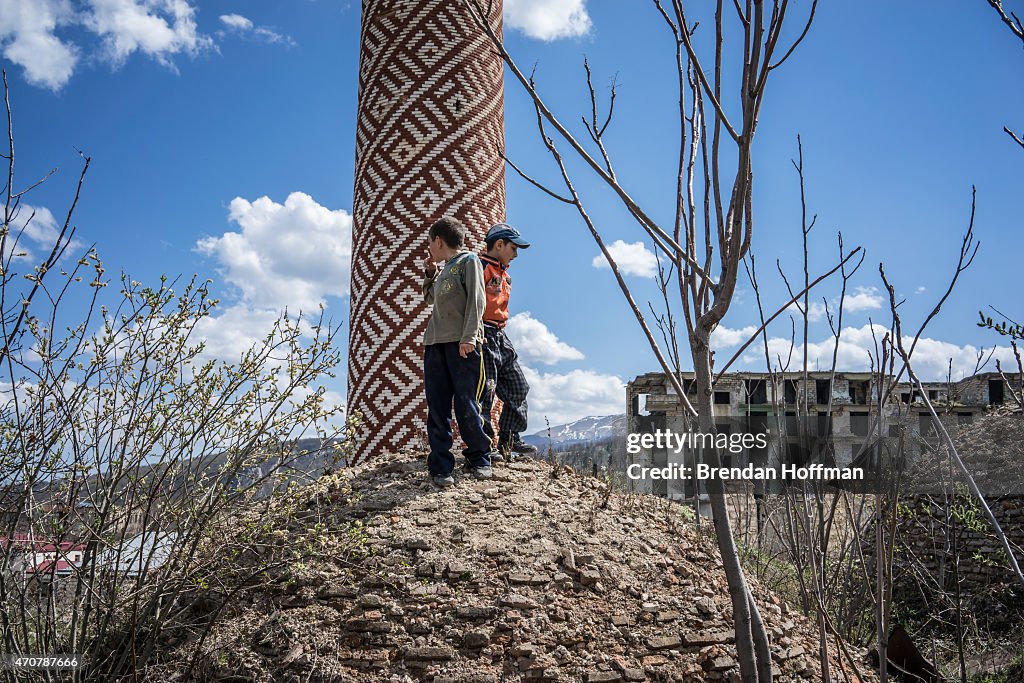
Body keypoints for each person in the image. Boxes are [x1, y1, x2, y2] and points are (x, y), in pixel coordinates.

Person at [421, 216, 495, 486]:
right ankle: (441, 466)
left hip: (462, 344)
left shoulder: (469, 261)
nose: (428, 248)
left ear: (439, 240)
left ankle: (480, 457)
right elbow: (430, 299)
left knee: (466, 405)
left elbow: (477, 300)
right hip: (435, 344)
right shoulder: (445, 269)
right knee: (437, 407)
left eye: (430, 243)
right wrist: (430, 274)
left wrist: (469, 337)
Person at [479, 222, 538, 459]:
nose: (515, 254)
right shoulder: (479, 268)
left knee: (518, 386)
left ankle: (510, 439)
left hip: (501, 334)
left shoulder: (505, 275)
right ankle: (483, 446)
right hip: (482, 333)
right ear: (499, 244)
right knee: (486, 391)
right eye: (513, 248)